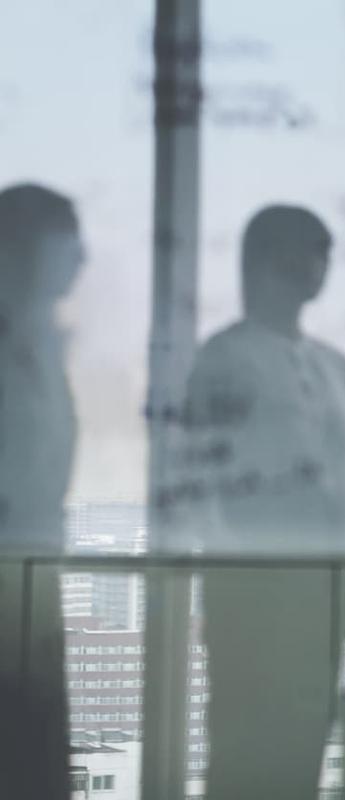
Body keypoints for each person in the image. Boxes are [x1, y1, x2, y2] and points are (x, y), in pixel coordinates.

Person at [182, 205, 345, 796]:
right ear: (268, 259)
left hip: (320, 594)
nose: (323, 265)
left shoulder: (336, 367)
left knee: (306, 747)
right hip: (252, 593)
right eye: (313, 249)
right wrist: (230, 576)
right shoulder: (225, 358)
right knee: (243, 750)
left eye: (326, 252)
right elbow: (199, 481)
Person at [0, 183, 85, 800]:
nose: (80, 259)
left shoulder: (42, 342)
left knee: (33, 742)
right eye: (66, 242)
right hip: (10, 570)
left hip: (34, 568)